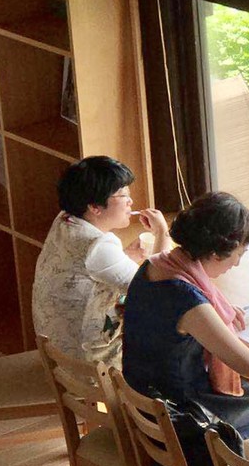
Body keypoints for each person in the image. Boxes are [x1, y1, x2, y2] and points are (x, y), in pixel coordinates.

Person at [122, 192, 249, 460]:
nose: (238, 262)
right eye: (239, 253)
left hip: (149, 399)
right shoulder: (186, 299)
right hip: (182, 419)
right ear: (215, 253)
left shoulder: (156, 265)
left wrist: (215, 311)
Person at [32, 156, 170, 366]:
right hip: (89, 362)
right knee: (173, 327)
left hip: (57, 347)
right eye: (123, 195)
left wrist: (124, 257)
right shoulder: (99, 246)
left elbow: (89, 268)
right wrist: (162, 233)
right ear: (95, 207)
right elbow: (158, 290)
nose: (130, 202)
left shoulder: (65, 219)